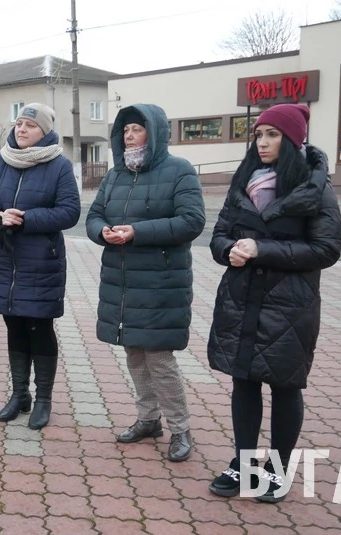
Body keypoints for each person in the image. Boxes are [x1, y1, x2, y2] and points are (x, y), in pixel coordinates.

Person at [206, 104, 341, 502]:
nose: (262, 142)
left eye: (273, 135)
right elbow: (218, 235)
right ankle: (244, 462)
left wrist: (262, 249)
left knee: (285, 385)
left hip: (289, 305)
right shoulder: (245, 180)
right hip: (241, 298)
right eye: (259, 134)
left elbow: (325, 249)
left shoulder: (315, 188)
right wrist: (228, 249)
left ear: (293, 139)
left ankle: (277, 469)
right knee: (243, 381)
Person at [86, 104, 205, 461]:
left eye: (136, 129)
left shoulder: (179, 170)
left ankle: (180, 427)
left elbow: (192, 221)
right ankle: (148, 419)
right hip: (122, 281)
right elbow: (93, 215)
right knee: (135, 354)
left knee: (159, 357)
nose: (129, 136)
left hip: (160, 282)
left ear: (154, 134)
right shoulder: (116, 175)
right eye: (124, 131)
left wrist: (137, 232)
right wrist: (102, 232)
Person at [0, 103, 80, 430]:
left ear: (44, 132)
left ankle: (43, 398)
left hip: (40, 262)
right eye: (18, 123)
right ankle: (20, 394)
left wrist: (27, 219)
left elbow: (69, 212)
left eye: (30, 125)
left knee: (40, 327)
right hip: (3, 261)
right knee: (14, 326)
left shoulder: (59, 165)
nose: (21, 129)